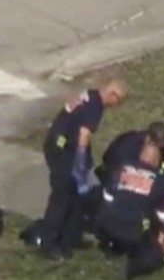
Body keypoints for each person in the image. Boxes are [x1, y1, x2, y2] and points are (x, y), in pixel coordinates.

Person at [39, 79, 128, 260]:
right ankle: (49, 243)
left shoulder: (91, 95)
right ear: (112, 95)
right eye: (118, 101)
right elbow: (83, 135)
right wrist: (80, 165)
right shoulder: (95, 107)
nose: (116, 106)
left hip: (59, 143)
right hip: (62, 151)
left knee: (76, 197)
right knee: (62, 196)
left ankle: (71, 236)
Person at [96, 143, 164, 280]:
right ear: (157, 161)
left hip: (107, 225)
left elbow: (107, 197)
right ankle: (132, 268)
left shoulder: (122, 168)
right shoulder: (161, 181)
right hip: (132, 231)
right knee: (156, 258)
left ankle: (111, 247)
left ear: (141, 155)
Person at [97, 121, 164, 184]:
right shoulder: (127, 146)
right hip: (110, 177)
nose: (159, 152)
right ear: (148, 139)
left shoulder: (162, 149)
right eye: (157, 148)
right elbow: (113, 166)